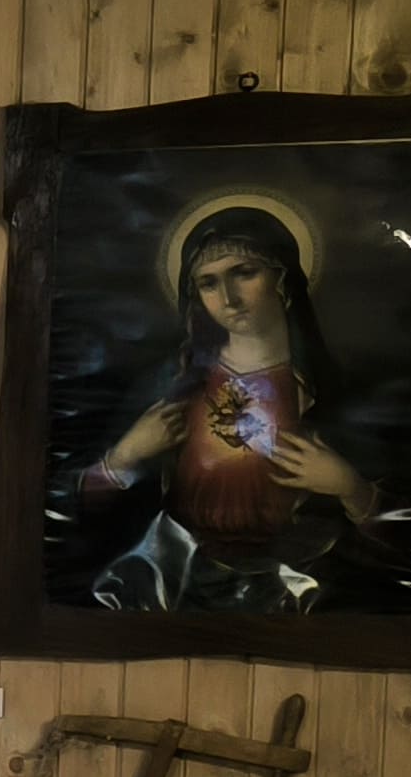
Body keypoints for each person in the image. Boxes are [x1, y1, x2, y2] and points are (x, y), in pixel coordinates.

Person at [73, 201, 390, 615]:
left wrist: (350, 486)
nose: (228, 298)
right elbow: (74, 511)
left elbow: (409, 534)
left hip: (305, 588)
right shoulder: (171, 384)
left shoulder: (328, 388)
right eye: (208, 283)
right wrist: (124, 457)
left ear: (282, 278)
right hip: (173, 582)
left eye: (244, 272)